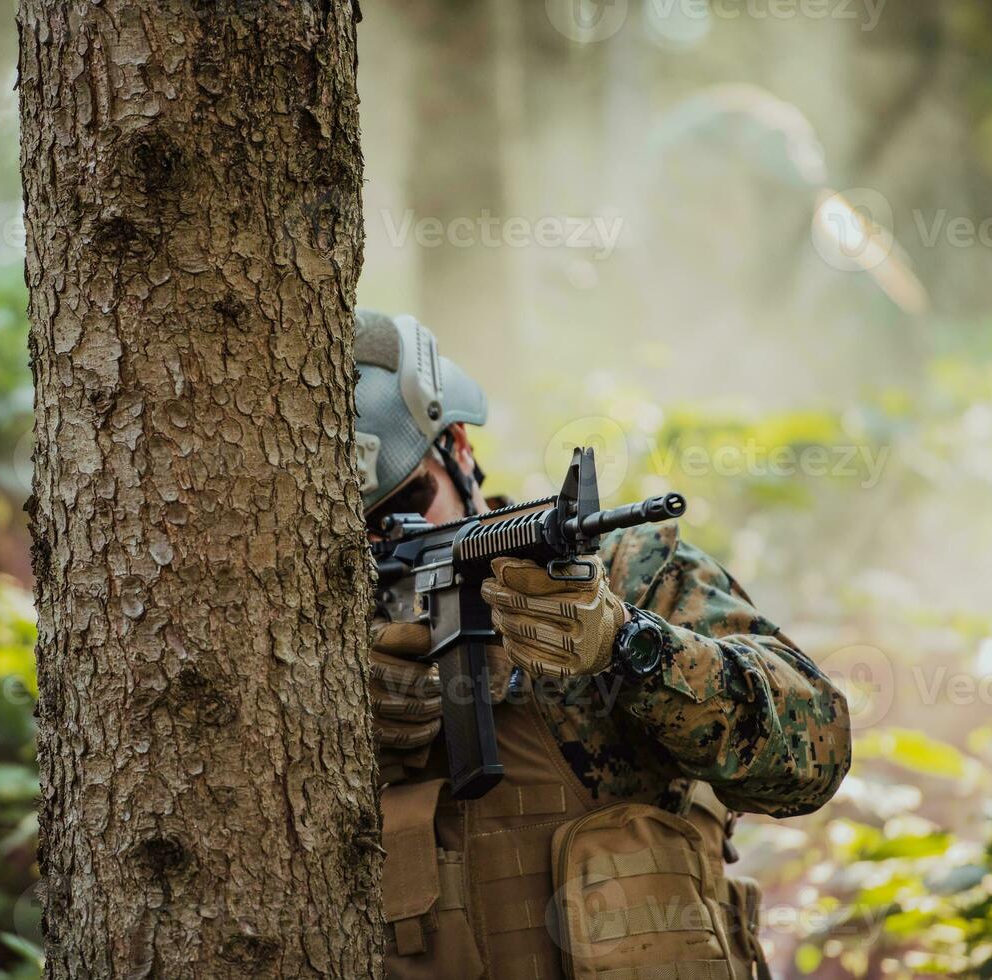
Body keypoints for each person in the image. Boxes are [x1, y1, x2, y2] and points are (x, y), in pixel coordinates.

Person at [354, 309, 851, 980]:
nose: (390, 542)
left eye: (409, 503)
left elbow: (817, 749)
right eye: (360, 528)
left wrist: (634, 648)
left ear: (461, 451)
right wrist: (347, 730)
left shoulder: (618, 574)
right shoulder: (304, 654)